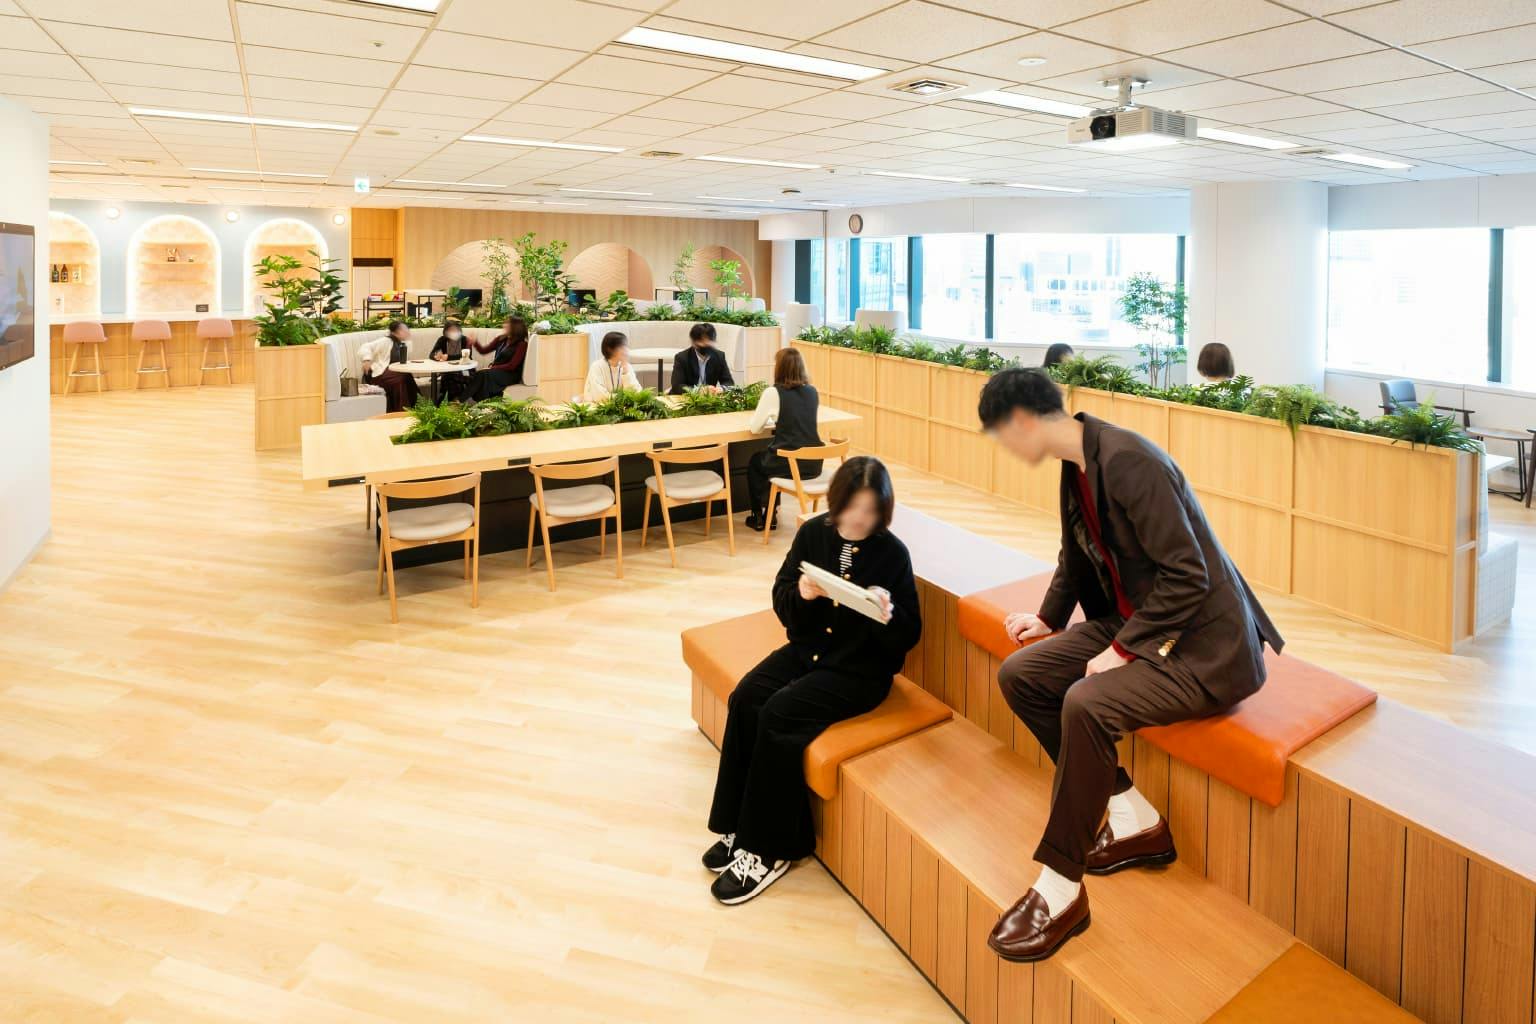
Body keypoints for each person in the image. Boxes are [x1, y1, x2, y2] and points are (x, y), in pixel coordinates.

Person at [976, 367, 1283, 962]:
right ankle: (1132, 814)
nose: (1005, 448)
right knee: (1024, 675)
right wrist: (1049, 619)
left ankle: (1060, 888)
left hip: (1203, 646)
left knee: (1086, 702)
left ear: (1023, 420)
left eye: (1001, 434)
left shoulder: (1130, 461)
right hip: (1142, 622)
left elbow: (1189, 576)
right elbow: (1074, 553)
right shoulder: (1078, 463)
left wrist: (1120, 651)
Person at [704, 456, 922, 904]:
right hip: (809, 652)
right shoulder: (814, 534)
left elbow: (909, 635)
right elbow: (782, 599)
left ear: (883, 511)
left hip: (859, 671)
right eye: (852, 506)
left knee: (779, 715)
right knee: (746, 696)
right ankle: (738, 826)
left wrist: (887, 613)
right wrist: (802, 593)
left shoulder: (892, 553)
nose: (859, 518)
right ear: (837, 500)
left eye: (871, 510)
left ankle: (768, 850)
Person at [745, 347, 822, 532]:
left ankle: (758, 516)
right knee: (772, 456)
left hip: (788, 464)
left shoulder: (773, 393)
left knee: (757, 462)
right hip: (813, 464)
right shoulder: (812, 391)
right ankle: (771, 514)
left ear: (779, 368)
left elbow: (755, 428)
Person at [357, 320, 420, 412]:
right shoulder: (386, 341)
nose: (407, 332)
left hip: (394, 374)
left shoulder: (406, 343)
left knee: (407, 376)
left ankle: (417, 408)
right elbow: (365, 347)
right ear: (396, 332)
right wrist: (366, 360)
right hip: (379, 375)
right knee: (401, 377)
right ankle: (402, 411)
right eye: (404, 330)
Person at [469, 316, 530, 402]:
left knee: (483, 374)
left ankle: (461, 400)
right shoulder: (501, 339)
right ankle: (484, 404)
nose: (504, 325)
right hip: (496, 371)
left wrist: (492, 368)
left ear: (515, 327)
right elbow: (484, 351)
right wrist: (475, 342)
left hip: (511, 374)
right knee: (483, 377)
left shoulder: (521, 344)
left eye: (507, 323)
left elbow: (512, 366)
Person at [669, 322, 734, 394]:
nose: (705, 343)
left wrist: (721, 389)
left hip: (709, 398)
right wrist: (698, 390)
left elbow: (729, 383)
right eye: (701, 341)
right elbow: (677, 386)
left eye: (708, 340)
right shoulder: (682, 358)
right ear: (693, 342)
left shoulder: (719, 356)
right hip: (686, 397)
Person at [582, 330, 640, 400]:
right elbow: (599, 396)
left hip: (621, 406)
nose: (626, 350)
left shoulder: (627, 366)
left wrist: (626, 373)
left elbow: (636, 393)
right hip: (596, 405)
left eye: (626, 346)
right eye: (622, 347)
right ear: (609, 349)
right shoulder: (596, 367)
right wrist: (623, 398)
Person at [429, 320, 476, 402]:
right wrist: (436, 356)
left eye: (456, 330)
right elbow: (431, 354)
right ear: (446, 332)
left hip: (465, 370)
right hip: (448, 370)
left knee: (449, 378)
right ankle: (454, 402)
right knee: (449, 378)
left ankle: (442, 401)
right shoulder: (442, 340)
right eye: (451, 330)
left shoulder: (465, 340)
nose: (454, 332)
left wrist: (449, 357)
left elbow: (467, 355)